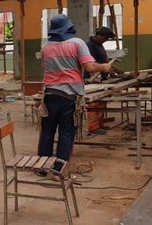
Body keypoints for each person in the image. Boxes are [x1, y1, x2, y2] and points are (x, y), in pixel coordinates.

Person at [37, 14, 113, 175]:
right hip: (69, 96)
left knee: (47, 132)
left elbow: (44, 67)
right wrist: (104, 67)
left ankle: (43, 166)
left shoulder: (46, 47)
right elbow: (90, 67)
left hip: (49, 95)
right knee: (66, 132)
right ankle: (59, 168)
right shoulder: (77, 43)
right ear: (68, 28)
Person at [85, 26, 120, 134]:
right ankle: (93, 127)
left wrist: (112, 68)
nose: (106, 41)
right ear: (99, 36)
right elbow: (91, 64)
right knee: (94, 102)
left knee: (102, 101)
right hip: (91, 77)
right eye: (105, 38)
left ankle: (99, 124)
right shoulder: (89, 46)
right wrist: (105, 68)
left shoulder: (99, 45)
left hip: (100, 78)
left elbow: (103, 60)